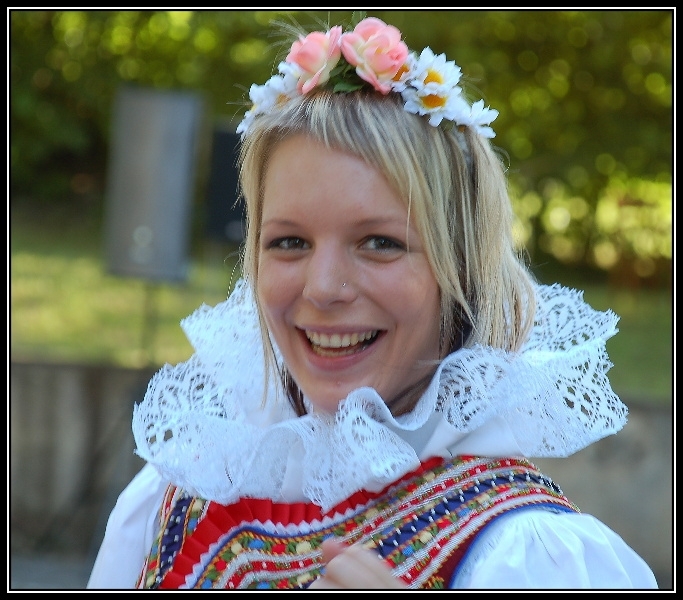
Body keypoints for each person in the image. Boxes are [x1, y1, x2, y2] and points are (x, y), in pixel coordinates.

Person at [87, 15, 658, 590]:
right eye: (289, 242)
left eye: (380, 243)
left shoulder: (529, 556)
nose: (322, 287)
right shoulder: (182, 492)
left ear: (461, 271)